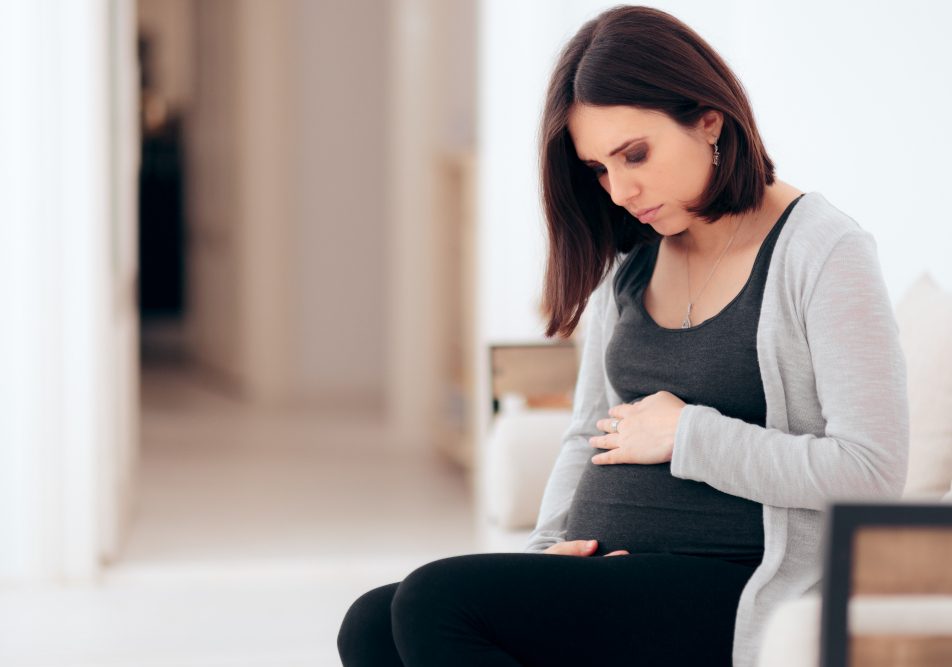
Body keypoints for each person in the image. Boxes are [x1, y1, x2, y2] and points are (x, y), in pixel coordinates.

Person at [337, 5, 909, 666]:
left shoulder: (824, 251)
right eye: (599, 169)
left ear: (709, 120)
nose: (620, 189)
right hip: (615, 577)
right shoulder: (636, 254)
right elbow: (588, 432)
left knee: (435, 599)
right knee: (370, 623)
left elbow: (871, 471)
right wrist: (546, 552)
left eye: (635, 154)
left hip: (730, 583)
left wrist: (688, 434)